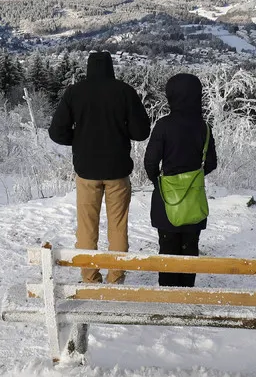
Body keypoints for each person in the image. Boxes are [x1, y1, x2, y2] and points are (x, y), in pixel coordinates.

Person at [48, 51, 150, 284]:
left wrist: (79, 137)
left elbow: (56, 132)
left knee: (86, 226)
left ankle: (90, 277)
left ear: (88, 68)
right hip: (117, 171)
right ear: (111, 67)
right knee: (118, 227)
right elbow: (141, 132)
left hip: (86, 171)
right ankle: (116, 277)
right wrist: (119, 131)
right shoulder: (124, 91)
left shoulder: (74, 92)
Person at [144, 73, 217, 287]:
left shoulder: (164, 125)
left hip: (167, 198)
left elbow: (150, 162)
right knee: (190, 247)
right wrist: (193, 178)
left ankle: (168, 294)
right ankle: (187, 292)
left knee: (167, 248)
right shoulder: (204, 127)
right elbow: (211, 163)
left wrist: (158, 181)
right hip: (194, 197)